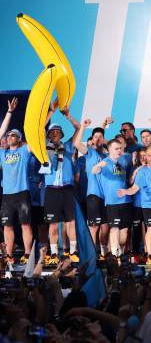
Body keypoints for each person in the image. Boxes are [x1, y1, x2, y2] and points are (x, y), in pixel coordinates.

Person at [43, 107, 80, 264]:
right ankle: (53, 254)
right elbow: (39, 129)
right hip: (51, 190)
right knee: (53, 225)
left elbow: (79, 128)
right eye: (52, 131)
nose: (55, 133)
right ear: (49, 135)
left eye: (58, 131)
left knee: (71, 222)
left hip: (67, 189)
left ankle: (73, 252)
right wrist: (51, 112)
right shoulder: (44, 147)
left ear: (62, 134)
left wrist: (69, 116)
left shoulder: (69, 146)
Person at [118, 147, 151, 261]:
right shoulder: (142, 172)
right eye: (148, 155)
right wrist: (126, 191)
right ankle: (149, 254)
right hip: (149, 205)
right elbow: (135, 188)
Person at [0, 97, 34, 264]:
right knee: (7, 226)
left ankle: (28, 255)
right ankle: (9, 255)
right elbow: (0, 133)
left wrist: (48, 113)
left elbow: (35, 133)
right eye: (8, 135)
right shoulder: (3, 153)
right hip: (7, 195)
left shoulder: (24, 151)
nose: (9, 136)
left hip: (22, 193)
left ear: (19, 139)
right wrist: (9, 112)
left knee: (25, 225)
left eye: (13, 134)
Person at [72, 119, 109, 257]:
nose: (98, 139)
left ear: (104, 139)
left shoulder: (108, 156)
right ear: (92, 141)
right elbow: (76, 143)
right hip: (93, 194)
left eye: (100, 136)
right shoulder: (90, 153)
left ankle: (104, 253)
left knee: (105, 227)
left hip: (106, 196)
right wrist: (83, 127)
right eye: (95, 137)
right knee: (94, 227)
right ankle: (92, 253)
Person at [92, 139, 132, 257]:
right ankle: (115, 254)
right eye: (116, 149)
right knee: (114, 228)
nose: (119, 151)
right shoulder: (105, 162)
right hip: (112, 202)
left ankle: (121, 252)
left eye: (120, 148)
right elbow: (94, 171)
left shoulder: (123, 160)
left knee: (124, 230)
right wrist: (99, 165)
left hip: (126, 200)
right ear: (109, 150)